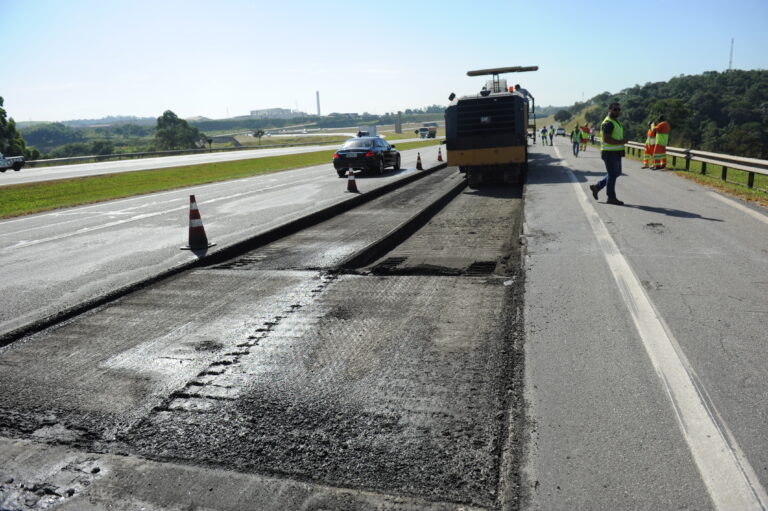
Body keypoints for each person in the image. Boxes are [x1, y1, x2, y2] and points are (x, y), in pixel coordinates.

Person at [589, 102, 628, 205]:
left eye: (619, 109)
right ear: (609, 110)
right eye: (615, 109)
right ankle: (611, 197)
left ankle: (597, 187)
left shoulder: (615, 121)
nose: (617, 111)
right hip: (610, 153)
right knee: (612, 175)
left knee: (616, 173)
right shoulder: (608, 123)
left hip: (616, 152)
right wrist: (622, 142)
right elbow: (607, 139)